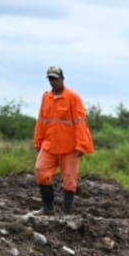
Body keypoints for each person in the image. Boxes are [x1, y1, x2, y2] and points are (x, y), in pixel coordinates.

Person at [32, 66, 92, 215]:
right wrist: (38, 142)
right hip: (49, 144)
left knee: (70, 180)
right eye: (50, 79)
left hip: (70, 147)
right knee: (41, 172)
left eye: (56, 78)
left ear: (62, 79)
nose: (53, 82)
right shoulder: (46, 97)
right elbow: (41, 121)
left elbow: (80, 123)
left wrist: (81, 145)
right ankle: (48, 208)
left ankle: (67, 213)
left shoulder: (73, 98)